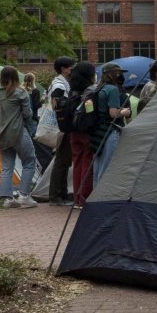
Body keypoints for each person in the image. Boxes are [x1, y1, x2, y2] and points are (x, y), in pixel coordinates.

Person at [0, 66, 38, 208]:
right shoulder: (20, 93)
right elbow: (27, 114)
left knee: (7, 167)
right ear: (16, 77)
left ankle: (8, 199)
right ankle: (24, 196)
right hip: (18, 132)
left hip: (0, 134)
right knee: (29, 161)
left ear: (1, 77)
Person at [90, 61, 131, 187]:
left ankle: (94, 201)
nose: (120, 75)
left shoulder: (99, 88)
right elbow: (113, 113)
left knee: (97, 169)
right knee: (107, 168)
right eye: (117, 73)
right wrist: (125, 111)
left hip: (98, 131)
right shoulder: (113, 89)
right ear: (112, 74)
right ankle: (102, 200)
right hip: (110, 131)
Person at [66, 61, 97, 207]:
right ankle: (85, 196)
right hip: (87, 130)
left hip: (73, 130)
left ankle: (77, 199)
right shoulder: (91, 90)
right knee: (88, 163)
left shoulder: (72, 89)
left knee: (77, 163)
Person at [46, 56, 75, 206]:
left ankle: (62, 194)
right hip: (61, 128)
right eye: (71, 67)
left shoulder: (60, 83)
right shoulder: (60, 85)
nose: (73, 69)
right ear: (64, 69)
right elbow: (57, 106)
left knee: (64, 161)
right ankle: (56, 196)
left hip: (61, 127)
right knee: (61, 162)